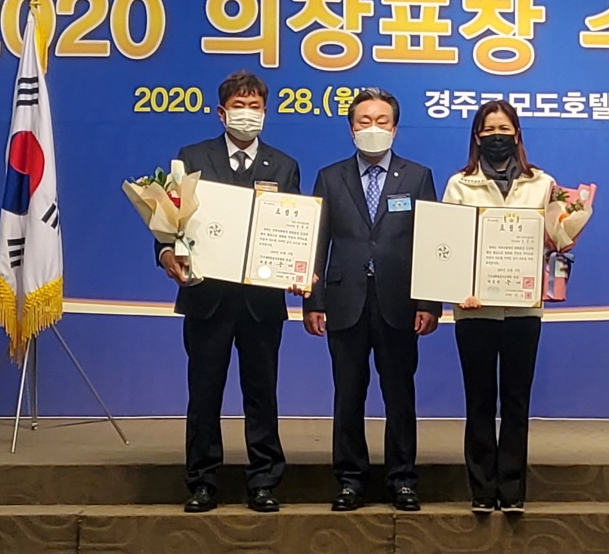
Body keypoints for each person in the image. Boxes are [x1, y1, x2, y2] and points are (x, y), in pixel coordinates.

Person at [158, 71, 300, 514]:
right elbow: (169, 222)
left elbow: (294, 228)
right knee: (204, 394)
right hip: (207, 297)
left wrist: (298, 266)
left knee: (262, 395)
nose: (247, 114)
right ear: (222, 113)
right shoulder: (192, 157)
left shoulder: (284, 165)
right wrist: (166, 253)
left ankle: (264, 481)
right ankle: (202, 481)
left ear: (266, 112)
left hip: (261, 302)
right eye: (239, 106)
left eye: (255, 107)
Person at [304, 87, 440, 512]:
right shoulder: (330, 177)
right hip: (345, 301)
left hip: (399, 302)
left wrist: (429, 302)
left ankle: (402, 480)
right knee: (348, 395)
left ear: (395, 128)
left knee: (399, 395)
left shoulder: (417, 176)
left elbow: (432, 243)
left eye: (382, 121)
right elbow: (316, 242)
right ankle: (350, 480)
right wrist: (313, 301)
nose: (373, 128)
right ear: (351, 129)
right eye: (364, 121)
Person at [441, 99, 554, 515]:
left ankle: (513, 488)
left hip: (524, 309)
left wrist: (558, 244)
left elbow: (554, 240)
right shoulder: (460, 184)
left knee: (517, 400)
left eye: (504, 129)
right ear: (476, 136)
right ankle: (482, 489)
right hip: (475, 309)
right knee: (479, 399)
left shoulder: (542, 184)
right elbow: (447, 245)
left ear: (517, 134)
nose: (496, 136)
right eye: (488, 130)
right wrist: (458, 287)